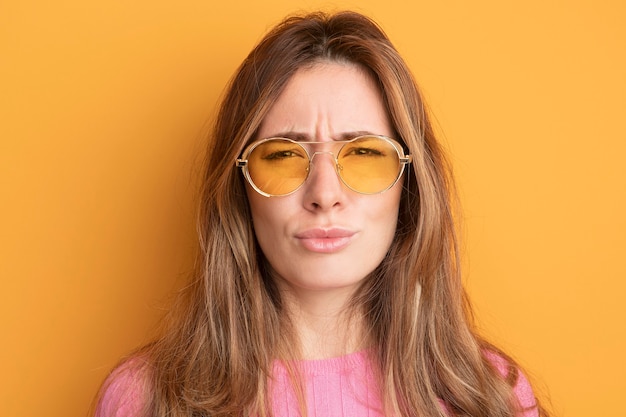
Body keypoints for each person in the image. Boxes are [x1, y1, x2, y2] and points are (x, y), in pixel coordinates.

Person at [93, 10, 550, 417]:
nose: (325, 195)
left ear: (410, 184)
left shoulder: (490, 396)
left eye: (366, 153)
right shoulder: (146, 399)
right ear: (239, 187)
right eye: (283, 156)